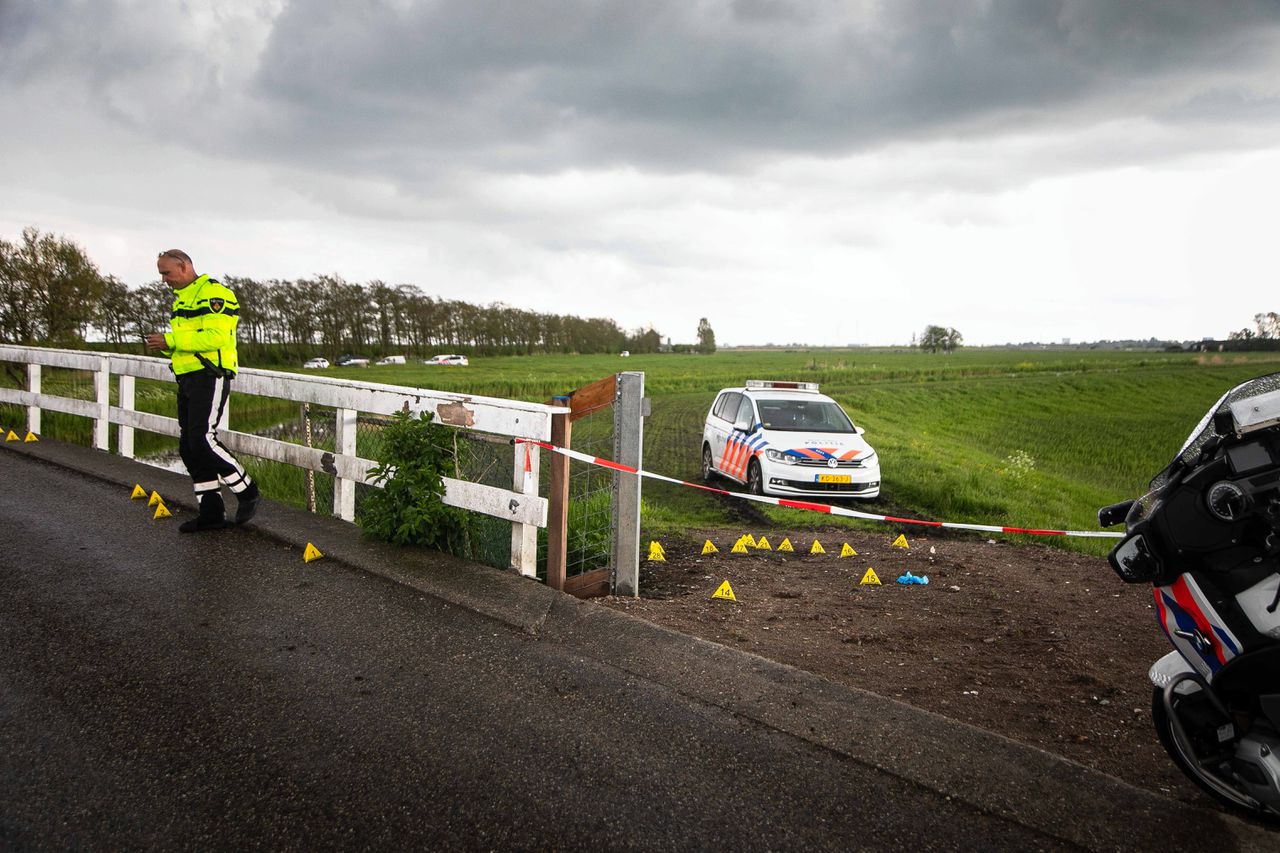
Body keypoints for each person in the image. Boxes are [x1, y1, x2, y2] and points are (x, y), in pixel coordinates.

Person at [145, 249, 260, 532]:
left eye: (166, 273)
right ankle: (211, 512)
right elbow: (189, 342)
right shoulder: (182, 299)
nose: (163, 280)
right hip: (187, 378)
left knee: (202, 440)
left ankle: (247, 491)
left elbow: (216, 336)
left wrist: (171, 341)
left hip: (210, 375)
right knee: (188, 447)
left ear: (184, 267)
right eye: (161, 273)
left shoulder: (214, 294)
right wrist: (168, 347)